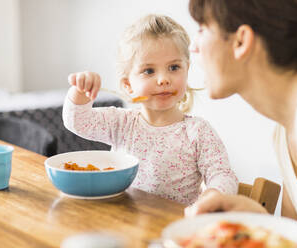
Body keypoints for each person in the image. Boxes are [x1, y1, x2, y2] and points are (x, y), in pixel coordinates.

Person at [184, 0, 297, 245]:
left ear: (241, 41)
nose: (193, 46)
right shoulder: (285, 131)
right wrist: (257, 220)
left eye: (202, 29)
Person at [62, 14, 238, 205]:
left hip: (175, 228)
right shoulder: (121, 123)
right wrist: (79, 90)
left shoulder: (198, 132)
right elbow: (77, 121)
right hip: (125, 223)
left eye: (174, 67)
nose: (163, 79)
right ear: (128, 85)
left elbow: (223, 175)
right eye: (149, 71)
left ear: (187, 70)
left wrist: (213, 195)